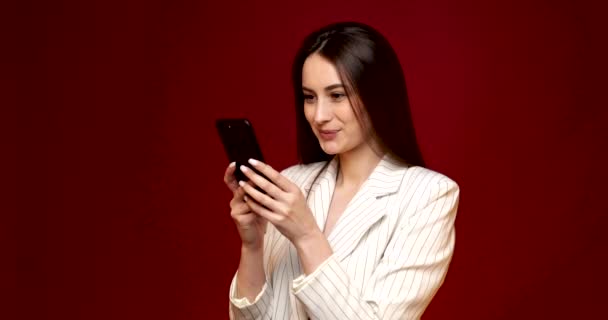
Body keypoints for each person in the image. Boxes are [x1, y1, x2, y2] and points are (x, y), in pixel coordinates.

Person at [223, 21, 460, 320]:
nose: (319, 116)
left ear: (377, 96)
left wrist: (307, 235)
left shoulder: (429, 195)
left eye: (337, 95)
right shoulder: (291, 183)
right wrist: (253, 245)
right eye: (309, 97)